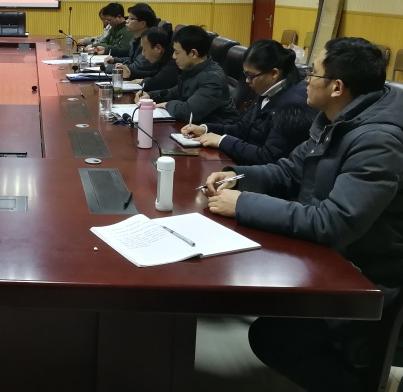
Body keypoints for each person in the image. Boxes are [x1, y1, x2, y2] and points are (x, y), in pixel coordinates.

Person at [203, 37, 403, 392]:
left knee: (272, 336)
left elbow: (333, 222)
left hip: (368, 278)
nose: (306, 79)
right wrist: (238, 177)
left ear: (337, 87)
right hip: (334, 257)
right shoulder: (337, 118)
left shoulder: (377, 142)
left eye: (314, 73)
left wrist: (243, 204)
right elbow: (289, 170)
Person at [180, 39, 315, 165]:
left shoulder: (293, 107)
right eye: (246, 75)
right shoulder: (268, 91)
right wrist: (205, 129)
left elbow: (268, 158)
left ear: (274, 73)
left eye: (251, 76)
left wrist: (222, 141)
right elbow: (241, 129)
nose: (247, 81)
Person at [137, 25, 239, 125]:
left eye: (177, 52)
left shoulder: (213, 78)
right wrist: (151, 96)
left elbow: (189, 112)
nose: (173, 56)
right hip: (197, 127)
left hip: (218, 130)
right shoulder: (192, 69)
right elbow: (175, 91)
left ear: (193, 53)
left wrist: (167, 105)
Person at [107, 3, 162, 76]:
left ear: (142, 24)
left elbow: (137, 67)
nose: (127, 21)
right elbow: (132, 59)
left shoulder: (148, 41)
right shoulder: (136, 38)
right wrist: (115, 60)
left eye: (131, 19)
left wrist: (108, 67)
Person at [120, 25, 178, 93]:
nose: (143, 54)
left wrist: (144, 81)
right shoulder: (163, 59)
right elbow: (153, 74)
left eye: (144, 49)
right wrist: (131, 73)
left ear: (158, 48)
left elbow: (156, 83)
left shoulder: (173, 63)